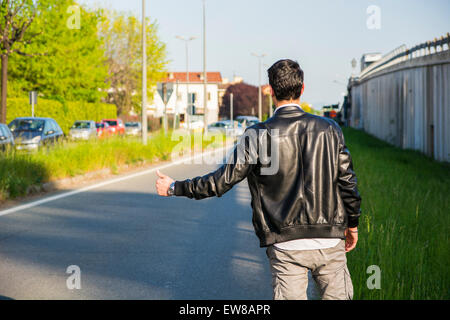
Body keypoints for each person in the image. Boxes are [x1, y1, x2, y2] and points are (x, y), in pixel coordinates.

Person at [156, 59, 362, 300]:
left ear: (271, 91)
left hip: (286, 246)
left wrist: (174, 187)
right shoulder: (329, 129)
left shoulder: (256, 135)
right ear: (302, 89)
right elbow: (348, 182)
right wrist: (353, 224)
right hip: (329, 240)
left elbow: (221, 181)